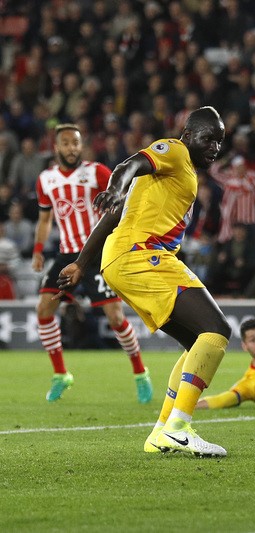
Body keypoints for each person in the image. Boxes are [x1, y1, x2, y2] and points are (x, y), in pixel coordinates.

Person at [56, 107, 232, 457]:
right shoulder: (174, 151)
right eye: (208, 138)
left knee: (198, 340)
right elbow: (127, 166)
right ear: (187, 133)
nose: (214, 146)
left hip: (123, 258)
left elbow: (115, 216)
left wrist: (80, 263)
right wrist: (115, 188)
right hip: (142, 255)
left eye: (219, 141)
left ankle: (160, 432)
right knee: (217, 329)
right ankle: (179, 427)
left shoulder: (172, 177)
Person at [32, 124, 152, 403]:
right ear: (56, 147)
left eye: (76, 143)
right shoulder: (46, 179)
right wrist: (39, 249)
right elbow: (45, 219)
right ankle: (61, 374)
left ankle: (140, 373)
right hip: (66, 256)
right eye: (66, 143)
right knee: (44, 309)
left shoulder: (96, 172)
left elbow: (121, 197)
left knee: (116, 318)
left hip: (97, 253)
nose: (72, 148)